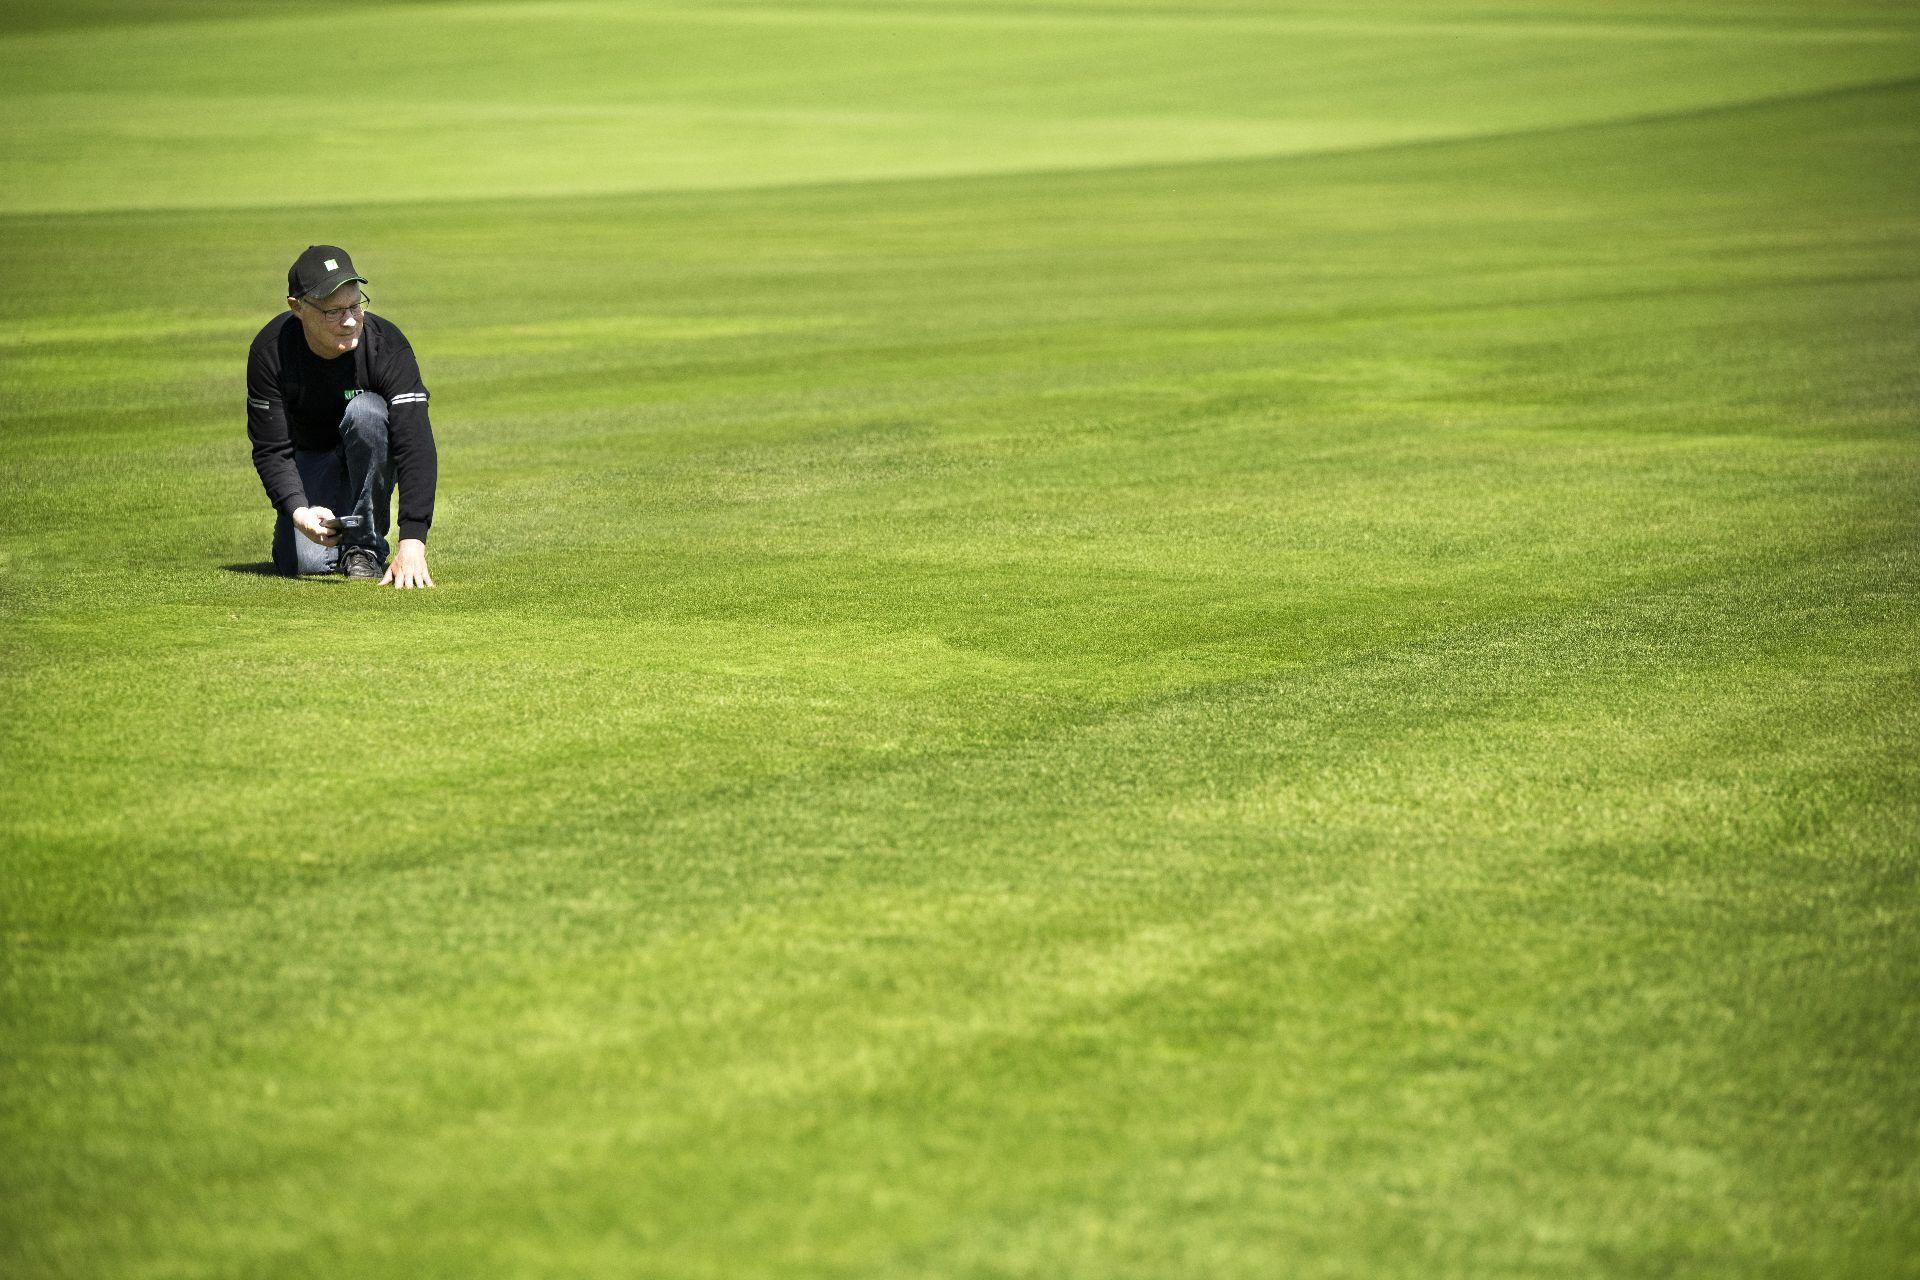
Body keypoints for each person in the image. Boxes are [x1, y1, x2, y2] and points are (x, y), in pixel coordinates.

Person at [246, 245, 438, 586]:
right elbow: (271, 448)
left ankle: (364, 548)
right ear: (297, 308)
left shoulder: (387, 346)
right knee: (305, 564)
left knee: (366, 412)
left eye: (354, 305)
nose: (349, 321)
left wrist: (413, 540)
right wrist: (299, 512)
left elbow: (415, 443)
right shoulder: (270, 352)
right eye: (333, 312)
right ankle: (328, 531)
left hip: (370, 454)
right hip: (311, 456)